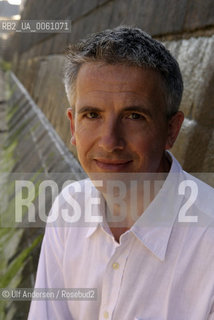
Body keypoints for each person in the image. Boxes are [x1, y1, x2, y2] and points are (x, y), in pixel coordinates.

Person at [28, 26, 214, 320]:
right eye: (92, 115)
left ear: (171, 130)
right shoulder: (67, 208)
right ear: (74, 126)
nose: (110, 141)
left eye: (133, 116)